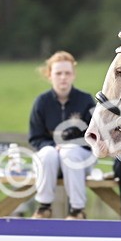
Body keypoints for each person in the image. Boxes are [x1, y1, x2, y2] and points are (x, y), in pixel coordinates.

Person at [28, 51, 96, 219]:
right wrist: (53, 146)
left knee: (69, 152)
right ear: (49, 75)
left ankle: (77, 210)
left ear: (73, 75)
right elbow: (35, 138)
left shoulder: (86, 100)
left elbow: (94, 136)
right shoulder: (42, 102)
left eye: (67, 73)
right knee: (47, 154)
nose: (63, 77)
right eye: (58, 73)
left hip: (80, 158)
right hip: (50, 161)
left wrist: (70, 147)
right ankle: (44, 207)